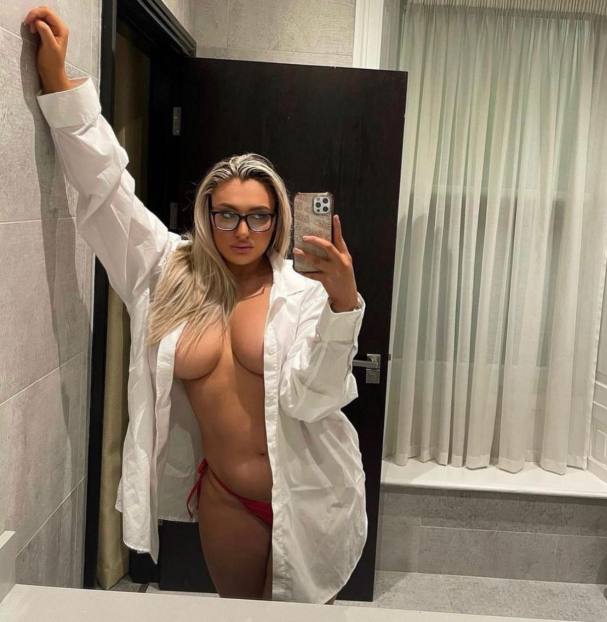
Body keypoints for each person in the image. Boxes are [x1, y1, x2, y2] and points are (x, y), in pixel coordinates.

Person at [25, 6, 367, 605]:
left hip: (310, 493)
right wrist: (63, 89)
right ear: (207, 214)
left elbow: (315, 398)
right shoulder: (166, 268)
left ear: (278, 219)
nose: (243, 230)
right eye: (227, 214)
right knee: (237, 614)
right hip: (226, 497)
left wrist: (343, 303)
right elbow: (107, 193)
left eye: (259, 216)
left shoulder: (303, 294)